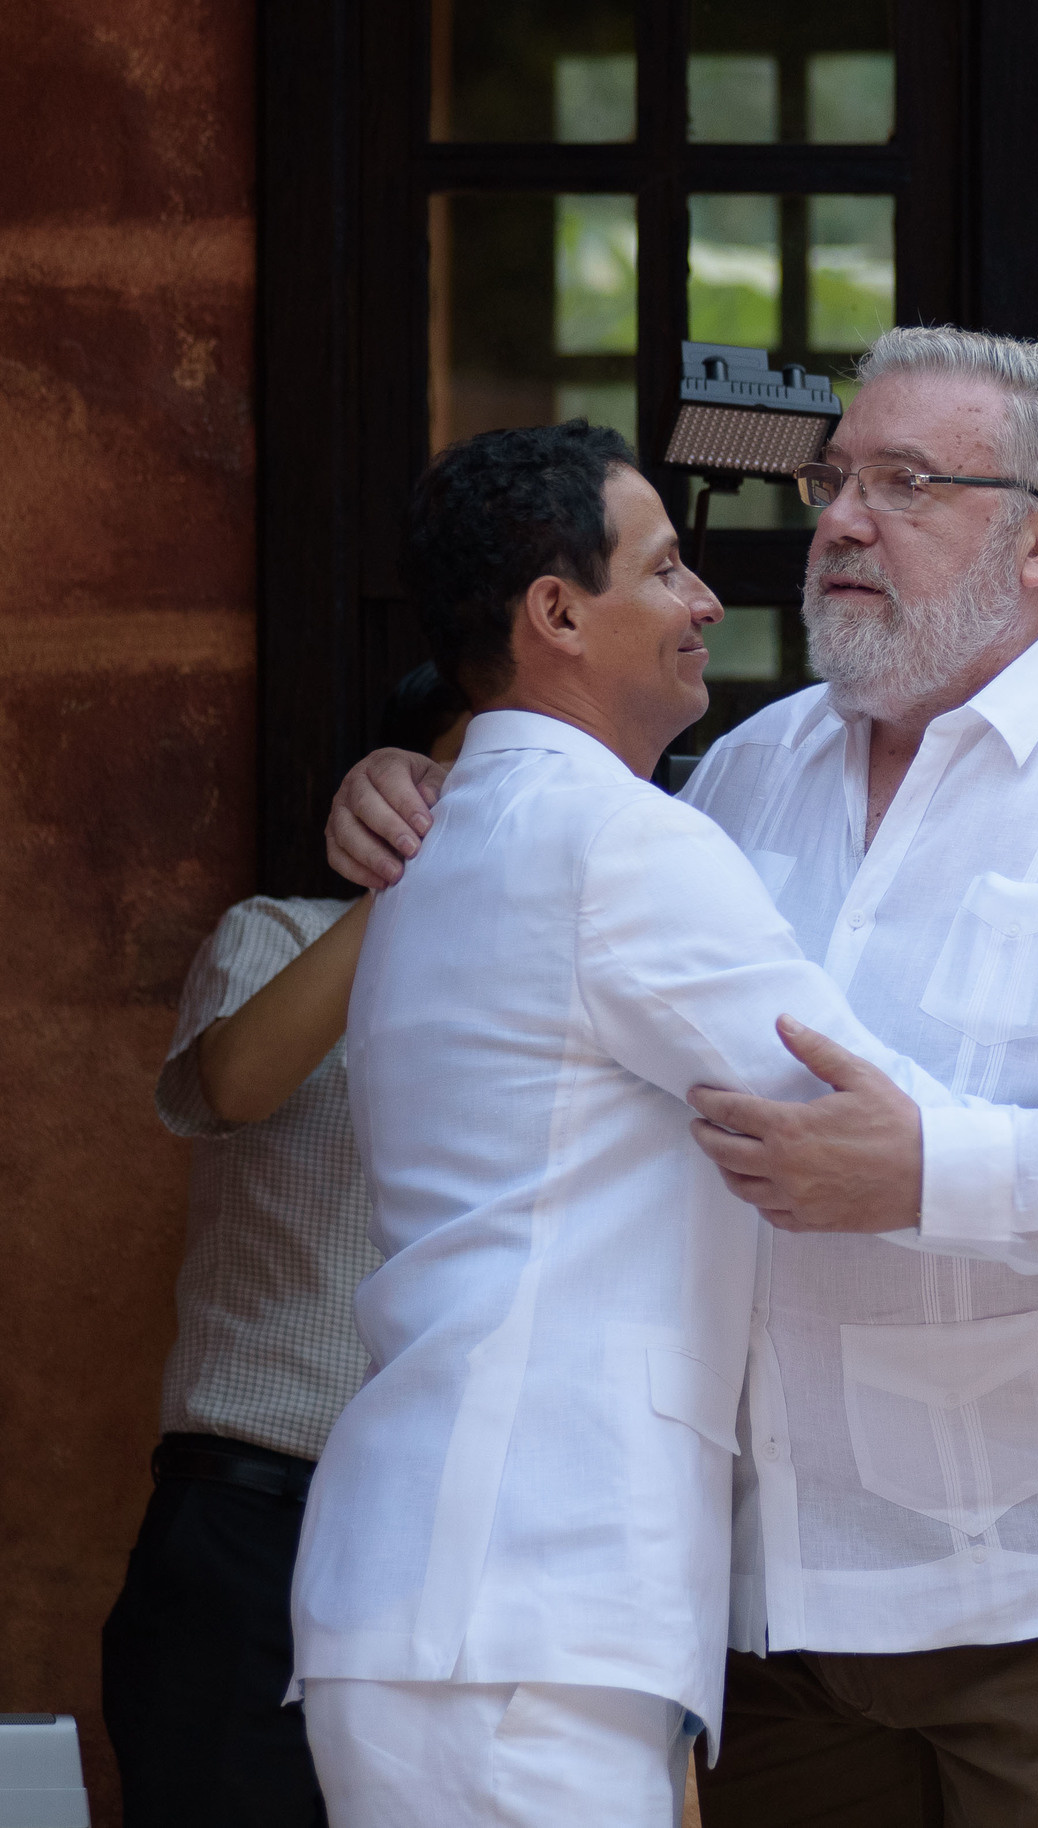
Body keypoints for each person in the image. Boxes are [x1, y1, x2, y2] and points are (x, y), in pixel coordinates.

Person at [324, 328, 1038, 1828]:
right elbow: (557, 893)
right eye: (833, 479)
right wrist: (421, 782)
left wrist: (943, 1170)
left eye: (905, 483)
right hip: (788, 1608)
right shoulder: (746, 774)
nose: (841, 520)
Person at [290, 421, 964, 1827]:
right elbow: (858, 1116)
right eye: (665, 571)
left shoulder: (450, 839)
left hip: (452, 1591)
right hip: (522, 1591)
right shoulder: (620, 842)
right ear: (557, 614)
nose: (707, 602)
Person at [101, 665, 468, 1828]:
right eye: (483, 768)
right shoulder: (280, 933)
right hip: (258, 1523)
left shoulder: (573, 980)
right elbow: (235, 1083)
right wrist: (410, 889)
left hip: (460, 1540)